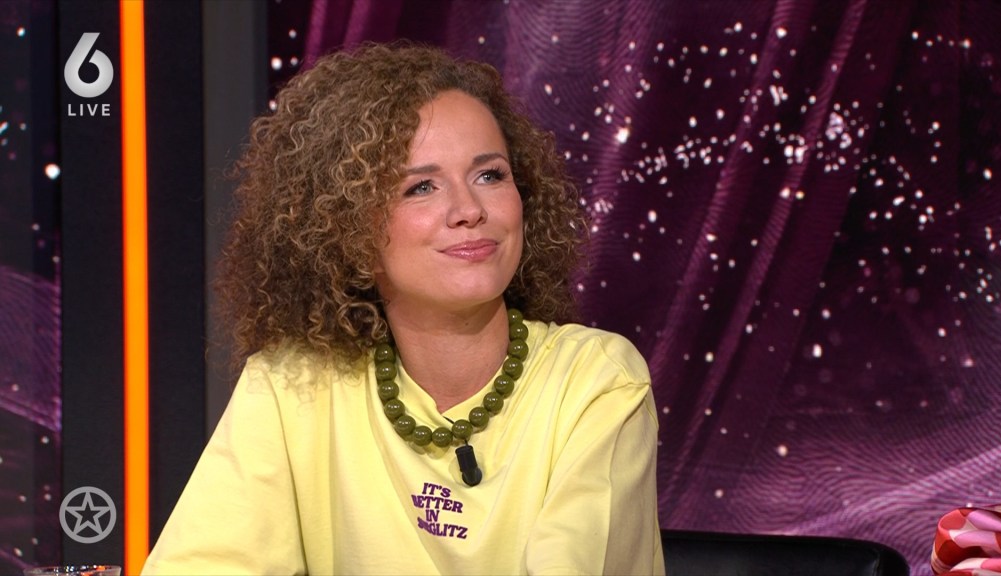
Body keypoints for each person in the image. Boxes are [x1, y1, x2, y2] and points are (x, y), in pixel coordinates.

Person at [142, 42, 664, 575]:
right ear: (346, 229)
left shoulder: (599, 381)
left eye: (490, 175)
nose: (469, 210)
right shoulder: (290, 386)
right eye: (421, 187)